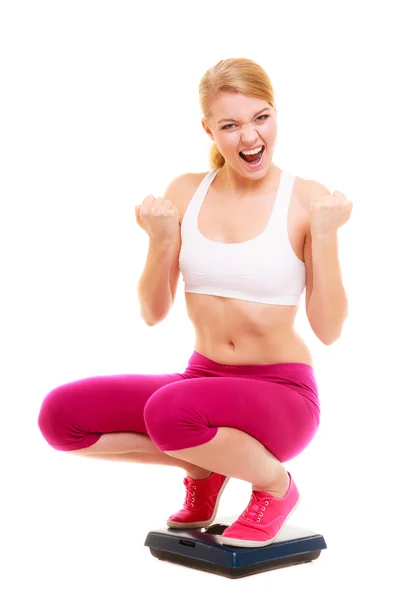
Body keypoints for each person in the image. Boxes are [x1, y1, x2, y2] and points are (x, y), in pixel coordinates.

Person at [37, 57, 352, 548]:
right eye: (231, 125)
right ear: (209, 129)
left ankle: (274, 486)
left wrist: (327, 238)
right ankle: (206, 470)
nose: (250, 138)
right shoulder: (186, 192)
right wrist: (161, 240)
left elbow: (330, 329)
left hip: (283, 396)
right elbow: (153, 312)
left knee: (170, 411)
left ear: (275, 114)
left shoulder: (305, 199)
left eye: (261, 118)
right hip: (199, 382)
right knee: (61, 417)